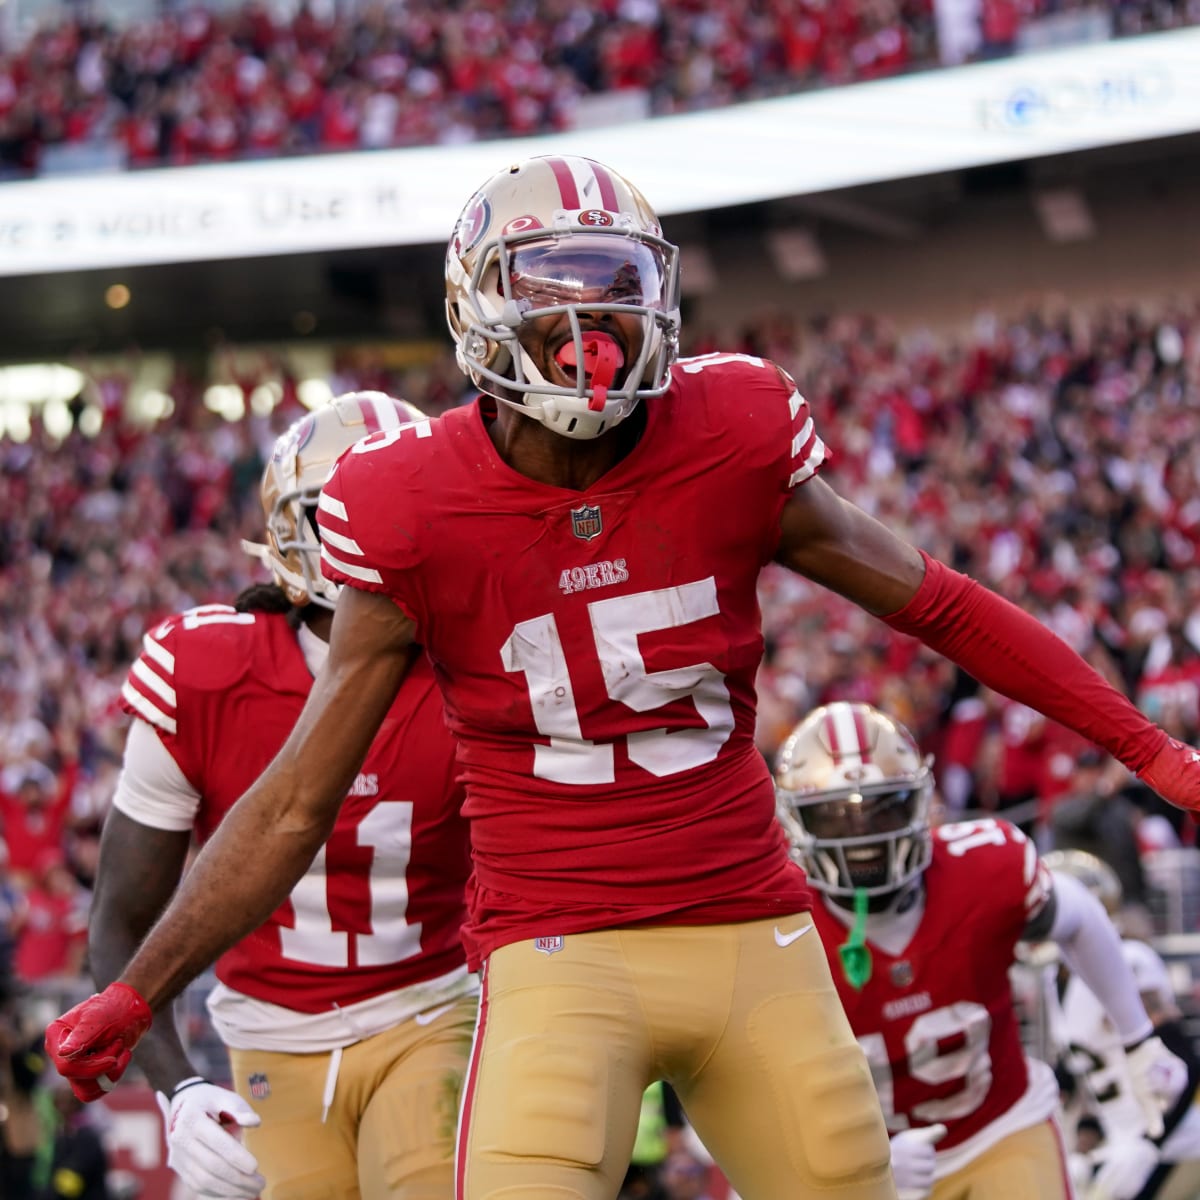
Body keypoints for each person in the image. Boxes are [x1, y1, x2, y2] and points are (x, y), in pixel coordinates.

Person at [45, 155, 1200, 1200]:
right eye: (551, 290)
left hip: (750, 921)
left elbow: (941, 601)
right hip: (557, 948)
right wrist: (143, 992)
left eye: (613, 286)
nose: (587, 320)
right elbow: (298, 799)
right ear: (478, 306)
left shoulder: (732, 427)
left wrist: (1149, 748)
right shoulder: (409, 500)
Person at [86, 391, 475, 1200]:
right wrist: (180, 1090)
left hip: (433, 1008)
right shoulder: (203, 672)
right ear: (294, 538)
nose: (370, 540)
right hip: (270, 1040)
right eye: (342, 516)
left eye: (397, 508)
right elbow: (120, 920)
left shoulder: (478, 663)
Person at [773, 701, 1189, 1200]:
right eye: (836, 817)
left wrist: (1137, 1036)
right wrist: (851, 1156)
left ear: (920, 801)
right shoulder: (776, 921)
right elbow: (747, 1085)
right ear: (796, 822)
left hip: (1000, 1127)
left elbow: (1080, 913)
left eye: (884, 807)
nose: (864, 838)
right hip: (860, 1161)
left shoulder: (982, 867)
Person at [1045, 850, 1200, 1200]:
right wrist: (1086, 1141)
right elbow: (1086, 1072)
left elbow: (1182, 1058)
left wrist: (1150, 1143)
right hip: (1120, 1142)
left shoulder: (1128, 960)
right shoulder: (1051, 981)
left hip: (1177, 1144)